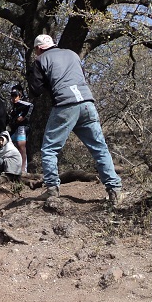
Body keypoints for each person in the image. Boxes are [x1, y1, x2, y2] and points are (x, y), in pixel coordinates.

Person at [28, 34, 123, 203]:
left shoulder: (40, 60)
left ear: (38, 48)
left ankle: (52, 189)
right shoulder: (72, 54)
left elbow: (35, 90)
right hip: (87, 104)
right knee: (100, 148)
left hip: (65, 105)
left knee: (49, 149)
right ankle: (115, 190)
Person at [8, 85, 33, 173]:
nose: (14, 98)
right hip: (14, 129)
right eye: (12, 96)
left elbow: (31, 106)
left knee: (21, 146)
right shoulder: (13, 107)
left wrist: (24, 116)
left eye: (15, 96)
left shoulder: (23, 103)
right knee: (11, 146)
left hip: (22, 127)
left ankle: (23, 170)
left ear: (19, 96)